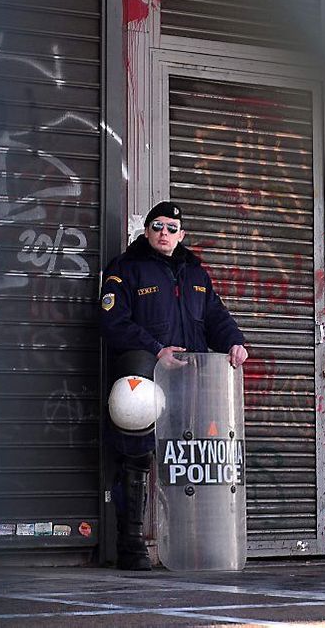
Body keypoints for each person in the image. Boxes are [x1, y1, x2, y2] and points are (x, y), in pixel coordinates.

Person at [100, 200, 248, 570]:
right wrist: (156, 350)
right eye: (157, 226)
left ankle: (190, 546)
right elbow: (112, 322)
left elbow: (215, 316)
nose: (163, 233)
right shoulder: (125, 269)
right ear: (146, 231)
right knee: (136, 455)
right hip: (145, 376)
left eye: (171, 228)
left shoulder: (195, 273)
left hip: (191, 376)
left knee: (189, 459)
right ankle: (132, 545)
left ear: (181, 235)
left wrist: (234, 342)